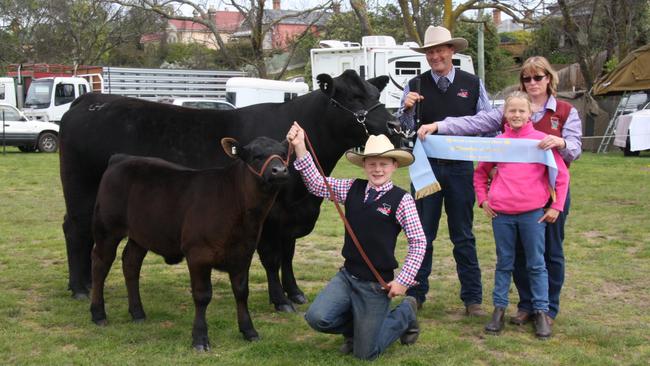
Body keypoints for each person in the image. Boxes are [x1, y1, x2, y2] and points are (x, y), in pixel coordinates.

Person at [417, 56, 582, 326]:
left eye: (538, 77)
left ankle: (548, 309)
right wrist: (439, 126)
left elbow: (575, 148)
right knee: (516, 253)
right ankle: (527, 304)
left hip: (550, 193)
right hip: (515, 198)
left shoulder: (564, 111)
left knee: (550, 252)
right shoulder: (511, 109)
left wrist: (561, 142)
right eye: (527, 78)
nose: (532, 83)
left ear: (549, 79)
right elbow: (472, 124)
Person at [286, 122, 426, 360]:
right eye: (372, 163)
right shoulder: (352, 188)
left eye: (383, 164)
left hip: (376, 285)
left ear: (394, 166)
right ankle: (357, 327)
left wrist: (402, 281)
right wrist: (300, 146)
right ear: (364, 165)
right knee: (316, 318)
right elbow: (317, 185)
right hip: (347, 276)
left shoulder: (402, 200)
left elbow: (419, 242)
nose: (378, 169)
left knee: (365, 354)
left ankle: (404, 313)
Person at [397, 25, 493, 314]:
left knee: (462, 233)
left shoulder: (473, 83)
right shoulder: (414, 86)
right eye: (430, 51)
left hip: (461, 170)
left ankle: (472, 298)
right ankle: (416, 293)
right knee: (422, 234)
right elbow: (403, 132)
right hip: (425, 169)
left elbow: (489, 123)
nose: (435, 56)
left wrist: (491, 163)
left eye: (440, 49)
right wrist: (406, 111)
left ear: (452, 50)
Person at [474, 92, 569, 339]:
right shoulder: (497, 143)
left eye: (521, 111)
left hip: (532, 215)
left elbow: (561, 176)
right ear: (505, 114)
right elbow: (480, 173)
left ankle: (541, 312)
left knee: (536, 264)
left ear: (531, 114)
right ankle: (499, 310)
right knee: (504, 263)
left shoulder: (541, 141)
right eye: (511, 111)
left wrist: (556, 207)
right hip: (502, 215)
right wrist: (483, 200)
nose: (516, 115)